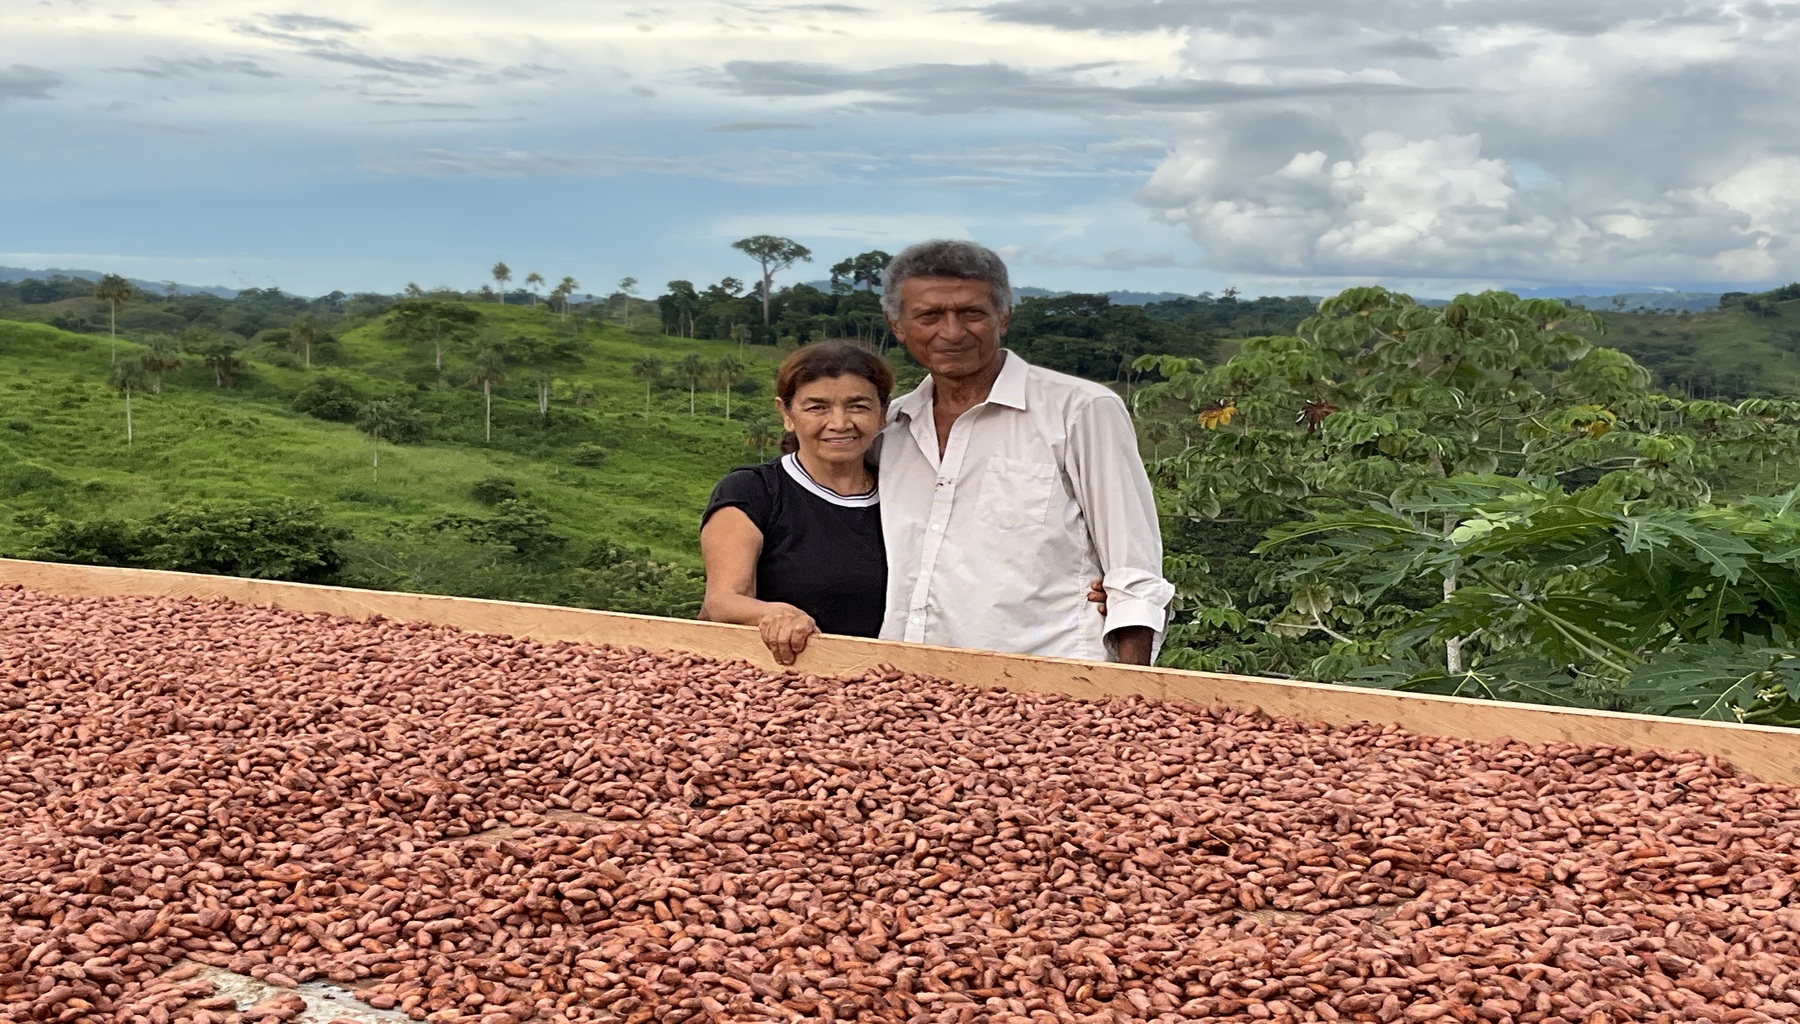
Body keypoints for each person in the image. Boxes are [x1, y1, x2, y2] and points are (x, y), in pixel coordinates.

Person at [877, 239, 1175, 664]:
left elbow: (1134, 576)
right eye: (928, 315)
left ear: (1004, 316)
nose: (952, 332)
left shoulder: (1079, 410)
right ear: (897, 325)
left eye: (972, 313)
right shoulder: (890, 428)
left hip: (1055, 683)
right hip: (910, 677)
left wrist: (1128, 704)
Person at [699, 343, 893, 665]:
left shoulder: (902, 496)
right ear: (787, 414)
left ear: (882, 414)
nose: (840, 423)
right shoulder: (754, 491)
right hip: (775, 683)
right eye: (817, 408)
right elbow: (722, 601)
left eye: (858, 406)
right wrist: (775, 614)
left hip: (886, 683)